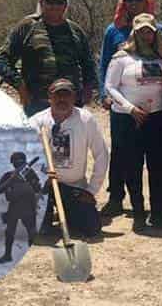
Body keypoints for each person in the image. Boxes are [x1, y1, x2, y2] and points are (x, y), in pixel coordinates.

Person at [98, 0, 162, 218]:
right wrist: (105, 95)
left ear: (145, 1)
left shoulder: (158, 28)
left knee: (157, 157)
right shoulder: (114, 30)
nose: (133, 3)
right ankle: (116, 197)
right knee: (121, 153)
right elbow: (105, 64)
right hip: (122, 105)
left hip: (155, 111)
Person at [0, 0, 97, 116]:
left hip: (71, 104)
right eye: (50, 1)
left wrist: (88, 89)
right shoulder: (27, 26)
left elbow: (88, 63)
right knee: (39, 137)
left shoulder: (75, 31)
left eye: (59, 2)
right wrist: (20, 86)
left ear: (65, 5)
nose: (55, 6)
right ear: (42, 3)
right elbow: (3, 60)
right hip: (37, 104)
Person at [30, 78, 109, 239]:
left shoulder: (86, 120)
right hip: (43, 186)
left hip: (73, 186)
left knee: (91, 228)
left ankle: (65, 213)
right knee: (38, 231)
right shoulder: (36, 122)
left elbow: (101, 154)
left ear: (74, 97)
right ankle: (44, 215)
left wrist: (91, 190)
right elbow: (22, 157)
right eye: (58, 95)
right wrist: (40, 173)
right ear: (49, 97)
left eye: (67, 95)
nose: (62, 100)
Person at [0, 152, 42, 263]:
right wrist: (12, 180)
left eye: (21, 160)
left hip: (28, 206)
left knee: (32, 232)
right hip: (14, 206)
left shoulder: (30, 173)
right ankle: (7, 255)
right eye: (16, 160)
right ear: (12, 163)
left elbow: (37, 189)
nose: (18, 163)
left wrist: (27, 185)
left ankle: (33, 257)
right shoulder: (8, 175)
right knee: (9, 232)